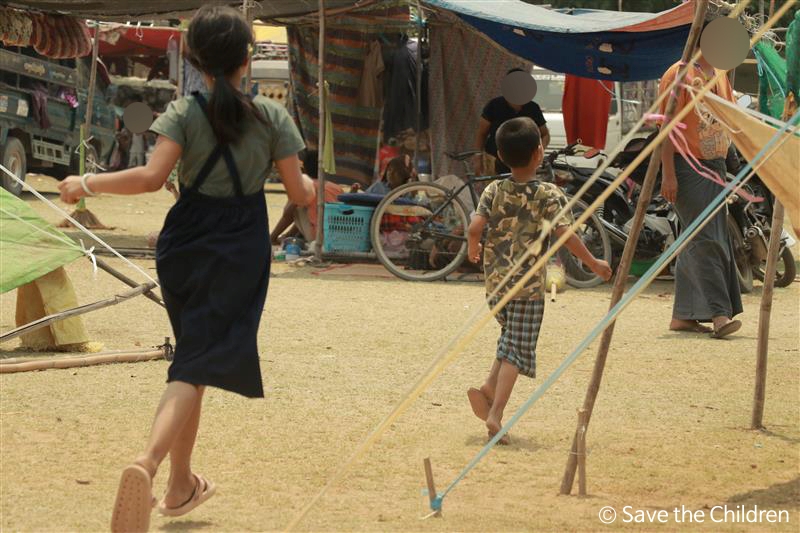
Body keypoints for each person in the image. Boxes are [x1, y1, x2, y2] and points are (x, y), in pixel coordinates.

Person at [58, 6, 314, 532]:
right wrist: (314, 188)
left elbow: (152, 178)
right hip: (239, 246)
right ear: (249, 58)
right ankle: (147, 465)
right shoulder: (272, 117)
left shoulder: (182, 111)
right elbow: (297, 193)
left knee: (194, 357)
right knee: (194, 364)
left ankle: (181, 484)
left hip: (184, 243)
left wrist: (85, 184)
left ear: (195, 58)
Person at [466, 117, 611, 443]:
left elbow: (475, 228)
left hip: (495, 284)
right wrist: (593, 263)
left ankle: (489, 387)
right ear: (539, 152)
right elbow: (566, 237)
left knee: (510, 337)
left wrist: (473, 250)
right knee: (517, 352)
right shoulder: (549, 194)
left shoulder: (493, 189)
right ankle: (496, 414)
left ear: (501, 156)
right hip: (528, 288)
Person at [659, 33, 743, 339]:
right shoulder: (678, 75)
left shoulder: (718, 73)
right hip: (688, 166)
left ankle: (683, 316)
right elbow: (667, 128)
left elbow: (731, 116)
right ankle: (719, 315)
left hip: (716, 165)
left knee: (700, 237)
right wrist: (669, 174)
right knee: (707, 239)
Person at [475, 68, 551, 175]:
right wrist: (478, 158)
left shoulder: (533, 108)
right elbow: (482, 133)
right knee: (495, 190)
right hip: (495, 160)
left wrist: (539, 152)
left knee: (522, 190)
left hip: (525, 163)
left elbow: (545, 134)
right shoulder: (494, 105)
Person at [270, 150, 343, 245]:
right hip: (338, 235)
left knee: (295, 206)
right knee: (306, 206)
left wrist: (273, 236)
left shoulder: (306, 186)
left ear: (303, 169)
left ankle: (273, 238)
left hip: (319, 237)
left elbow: (287, 214)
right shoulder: (336, 187)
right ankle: (288, 235)